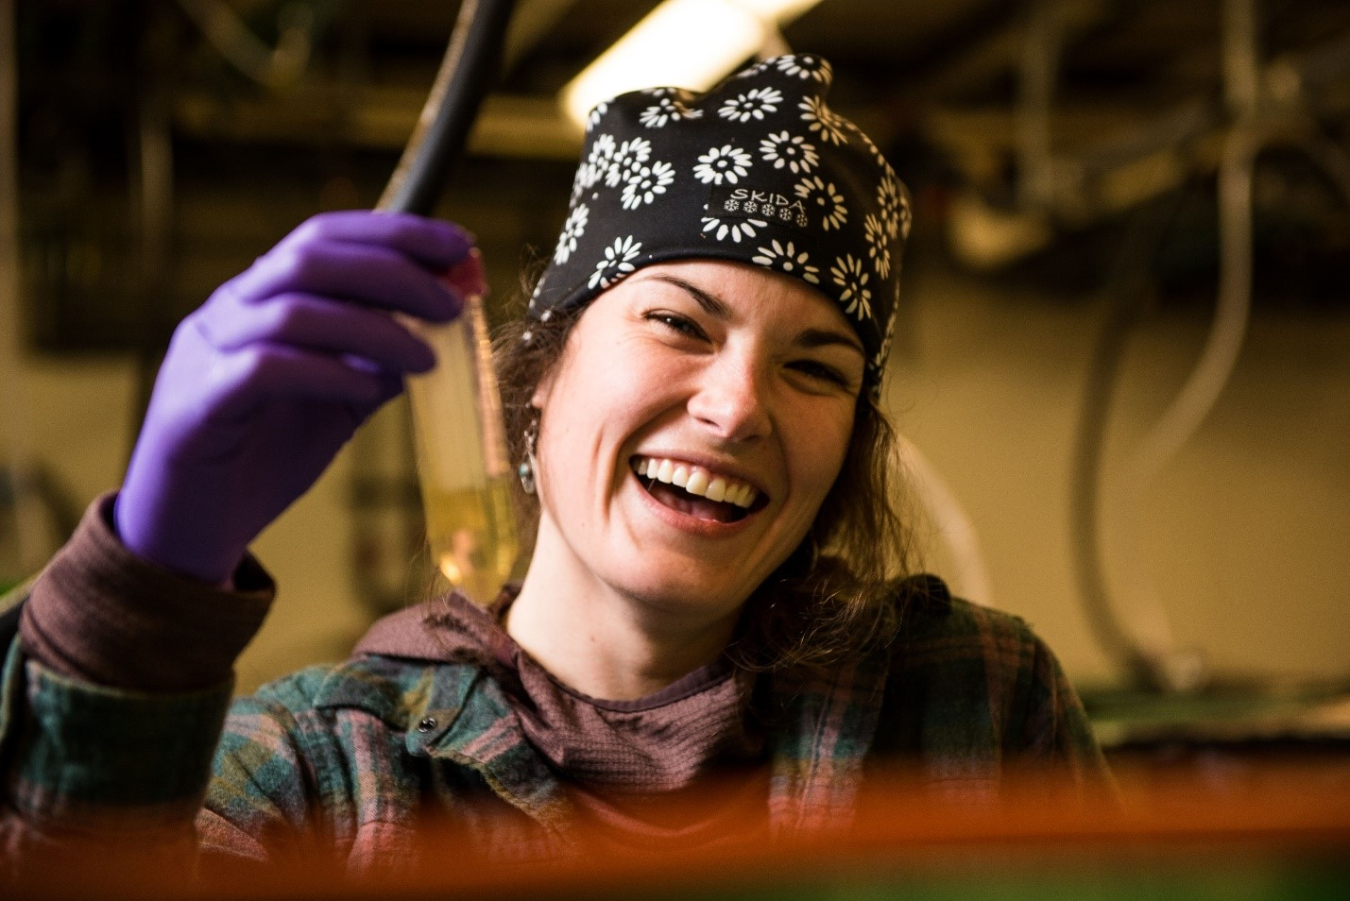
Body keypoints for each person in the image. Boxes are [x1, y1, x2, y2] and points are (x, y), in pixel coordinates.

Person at [0, 54, 1109, 876]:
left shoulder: (974, 700)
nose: (735, 409)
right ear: (536, 370)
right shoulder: (323, 774)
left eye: (816, 369)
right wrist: (143, 588)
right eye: (679, 322)